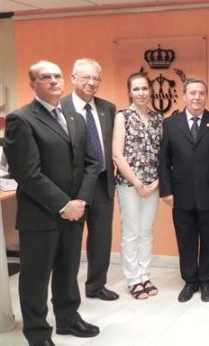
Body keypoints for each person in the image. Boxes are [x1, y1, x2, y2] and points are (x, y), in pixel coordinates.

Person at [4, 60, 100, 346]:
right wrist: (63, 204)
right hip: (41, 215)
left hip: (75, 212)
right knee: (35, 277)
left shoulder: (74, 117)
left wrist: (81, 200)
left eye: (57, 76)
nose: (54, 81)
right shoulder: (21, 119)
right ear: (32, 84)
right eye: (46, 77)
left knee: (68, 271)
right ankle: (37, 333)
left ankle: (68, 319)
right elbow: (27, 173)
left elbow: (92, 163)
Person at [159, 78, 209, 303]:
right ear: (184, 96)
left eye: (201, 93)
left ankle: (208, 281)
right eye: (192, 93)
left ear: (206, 96)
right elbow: (164, 160)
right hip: (180, 194)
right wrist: (166, 191)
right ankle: (190, 281)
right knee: (186, 239)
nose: (197, 97)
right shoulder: (170, 124)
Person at [61, 58, 119, 301]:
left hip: (103, 183)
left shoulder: (108, 108)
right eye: (86, 77)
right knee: (71, 243)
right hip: (73, 187)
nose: (92, 83)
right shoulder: (60, 108)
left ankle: (96, 286)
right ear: (73, 78)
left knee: (101, 239)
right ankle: (67, 294)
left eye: (96, 78)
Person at [112, 73, 163, 300]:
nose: (141, 93)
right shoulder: (122, 117)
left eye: (144, 88)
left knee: (146, 231)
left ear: (150, 90)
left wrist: (158, 181)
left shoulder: (157, 118)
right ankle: (134, 279)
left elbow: (163, 153)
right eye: (136, 89)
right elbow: (117, 154)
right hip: (129, 184)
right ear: (130, 92)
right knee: (131, 232)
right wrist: (137, 183)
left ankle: (145, 276)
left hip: (153, 184)